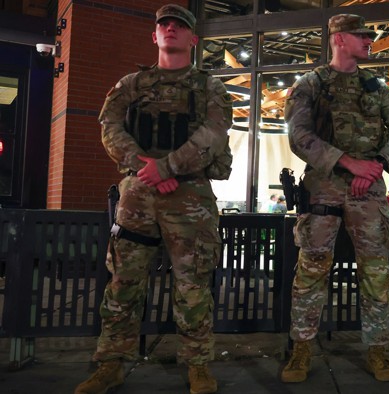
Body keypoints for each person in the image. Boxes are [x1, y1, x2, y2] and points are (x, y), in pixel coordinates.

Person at [75, 4, 232, 394]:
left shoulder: (211, 87)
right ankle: (110, 364)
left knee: (193, 285)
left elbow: (213, 135)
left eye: (180, 26)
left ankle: (198, 365)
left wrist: (168, 168)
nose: (171, 30)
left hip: (190, 195)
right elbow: (109, 127)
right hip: (139, 193)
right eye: (165, 25)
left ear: (193, 39)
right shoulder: (130, 84)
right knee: (123, 282)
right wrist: (145, 165)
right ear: (155, 35)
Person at [280, 13, 389, 383]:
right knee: (311, 271)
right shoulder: (311, 84)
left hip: (368, 191)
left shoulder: (376, 87)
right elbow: (298, 135)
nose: (369, 40)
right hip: (323, 188)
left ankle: (377, 350)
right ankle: (301, 348)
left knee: (375, 272)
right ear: (339, 39)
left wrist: (377, 165)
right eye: (361, 35)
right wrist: (348, 163)